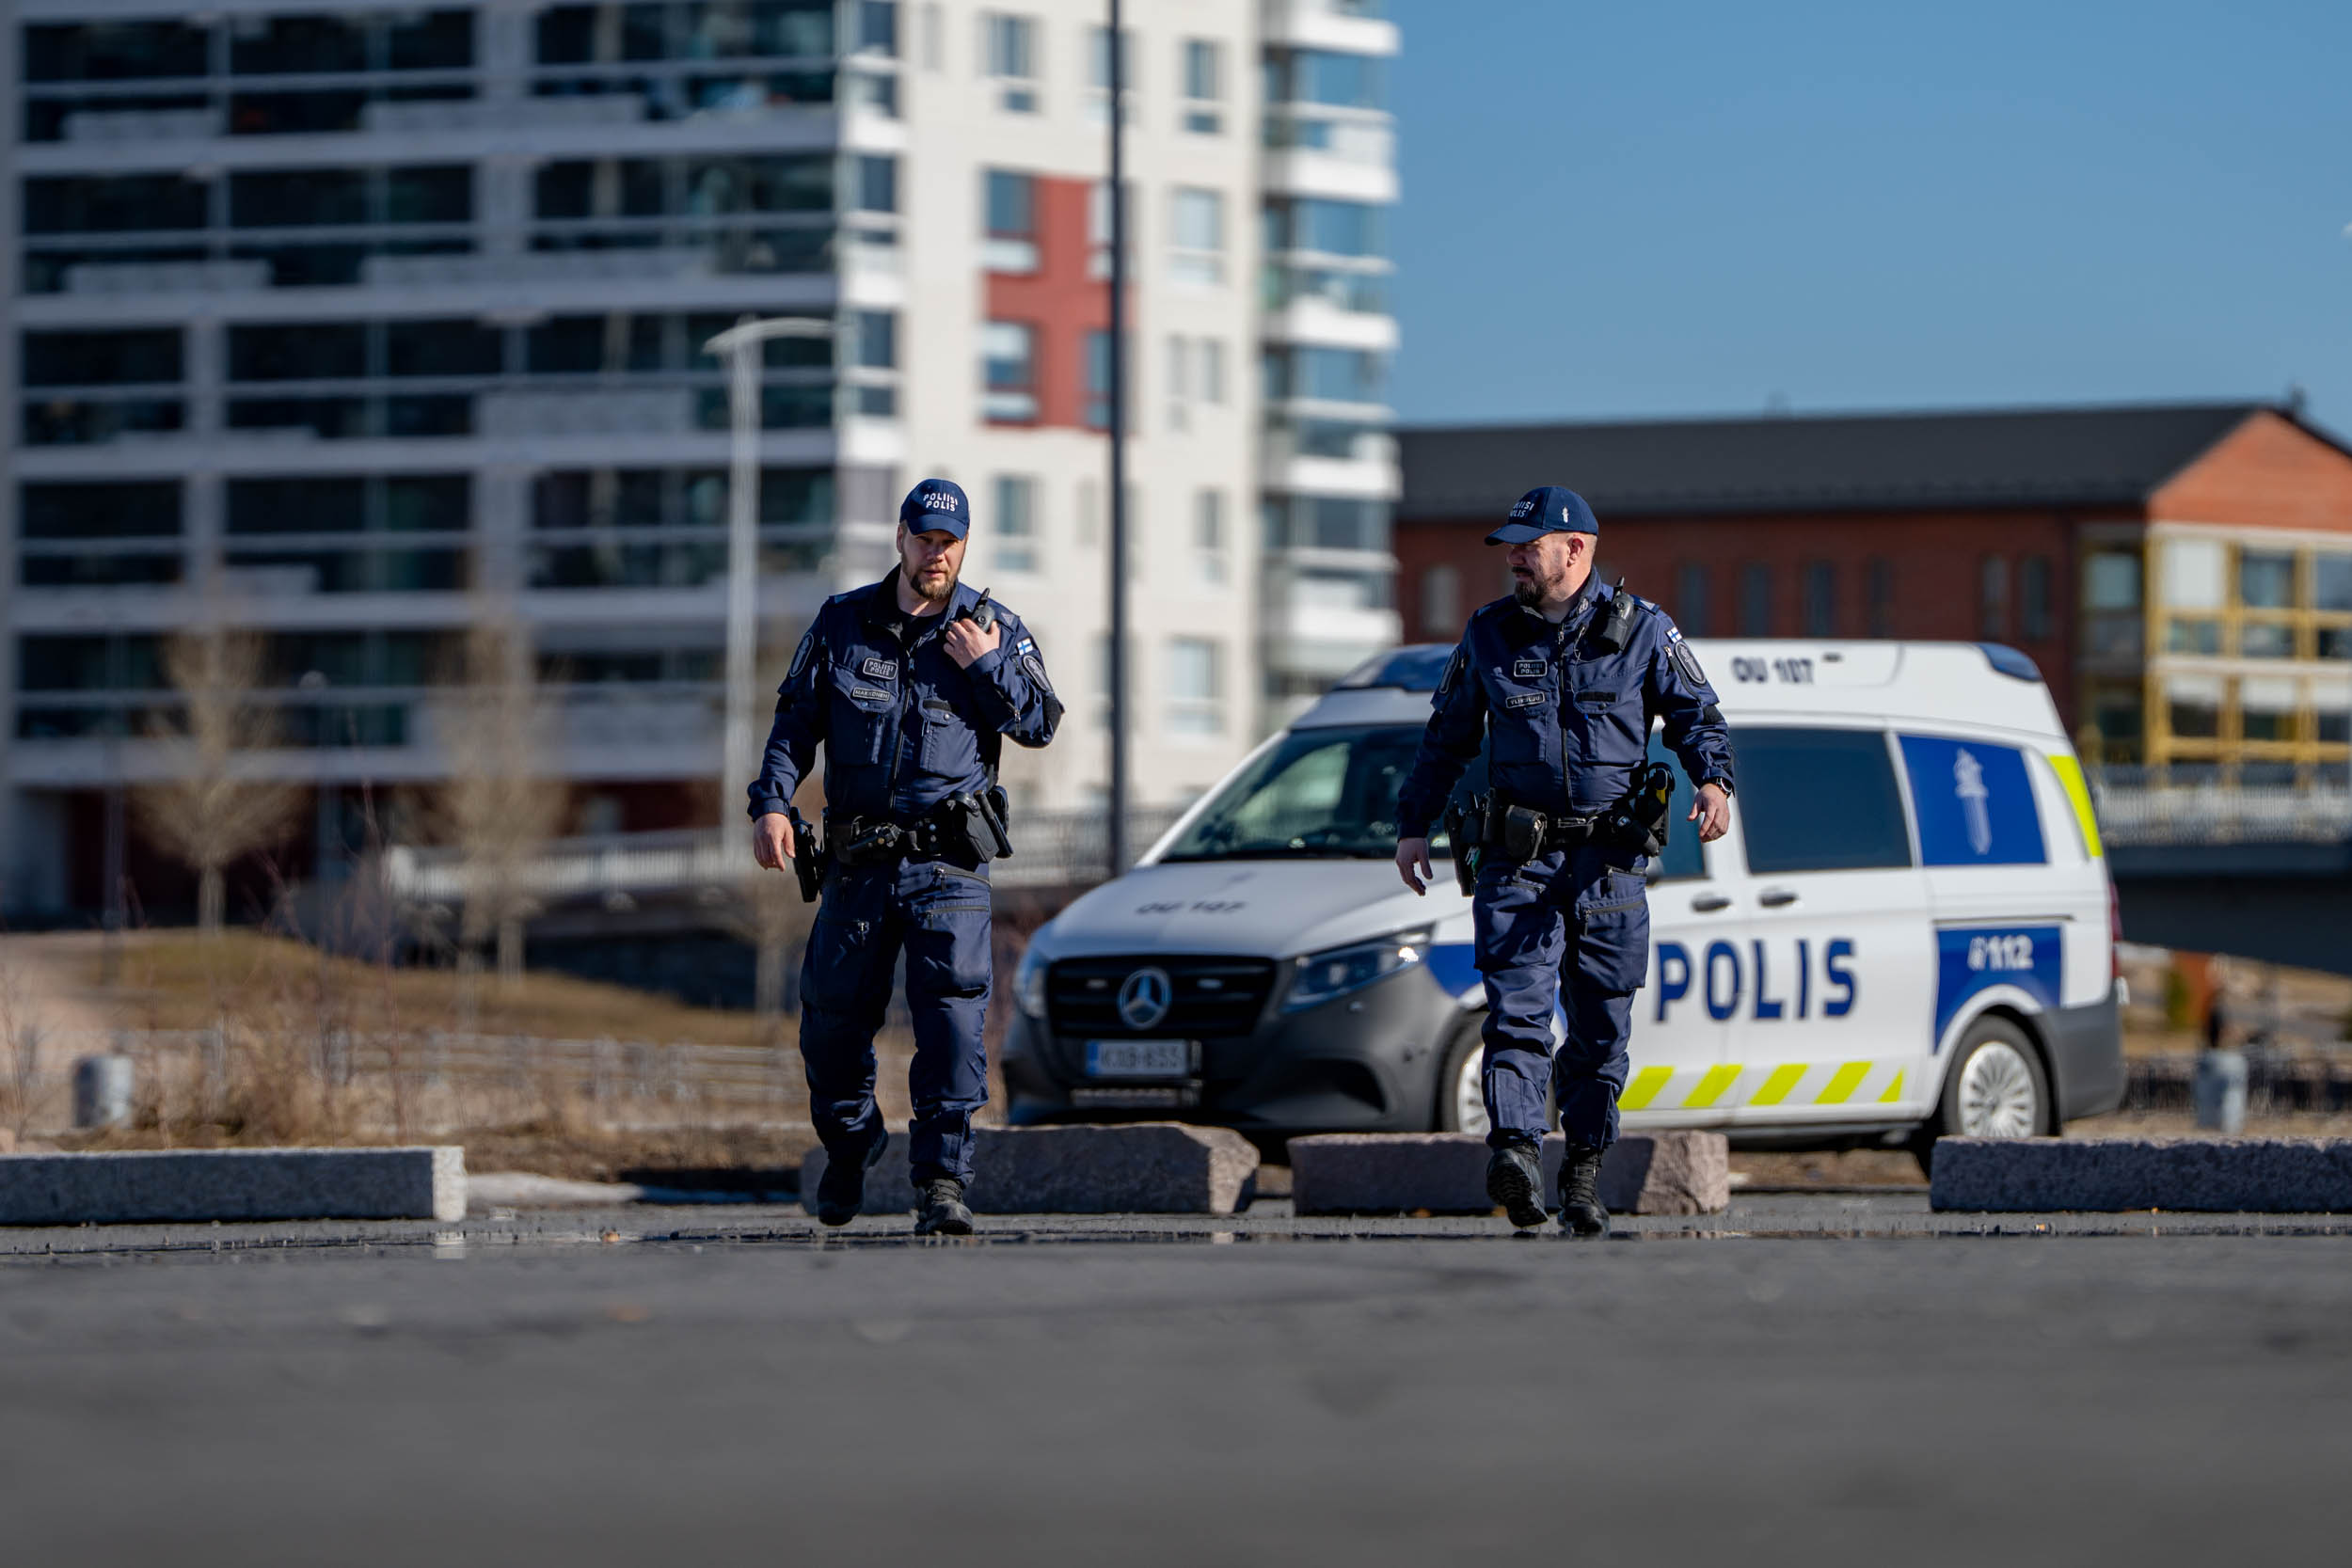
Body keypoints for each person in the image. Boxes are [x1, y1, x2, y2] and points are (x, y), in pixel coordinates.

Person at [1392, 485, 1734, 1236]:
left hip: (1609, 865)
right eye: (1510, 545)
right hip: (1520, 861)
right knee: (1515, 1014)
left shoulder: (1644, 631)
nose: (1514, 556)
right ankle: (1515, 1150)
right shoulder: (1488, 634)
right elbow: (1444, 737)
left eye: (1528, 543)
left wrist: (1713, 778)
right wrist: (1412, 823)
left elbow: (1696, 714)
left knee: (1601, 1028)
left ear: (1575, 548)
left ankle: (1582, 1170)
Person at [748, 478, 1062, 1235]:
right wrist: (772, 803)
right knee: (829, 1027)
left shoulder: (993, 627)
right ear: (900, 537)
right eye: (924, 539)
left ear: (964, 547)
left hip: (949, 869)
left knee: (952, 1026)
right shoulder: (843, 622)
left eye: (949, 543)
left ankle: (943, 1184)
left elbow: (1042, 721)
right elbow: (795, 722)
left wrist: (987, 666)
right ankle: (852, 1144)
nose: (936, 555)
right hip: (857, 865)